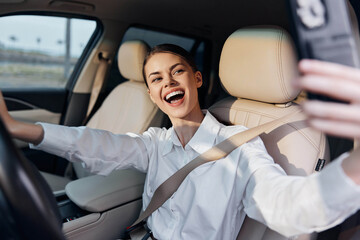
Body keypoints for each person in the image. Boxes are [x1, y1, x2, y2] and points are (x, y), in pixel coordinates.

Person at [0, 44, 360, 240]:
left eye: (177, 71)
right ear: (153, 96)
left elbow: (284, 205)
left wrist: (353, 170)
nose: (168, 82)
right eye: (156, 79)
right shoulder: (156, 142)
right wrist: (16, 128)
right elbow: (96, 143)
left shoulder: (240, 146)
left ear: (197, 78)